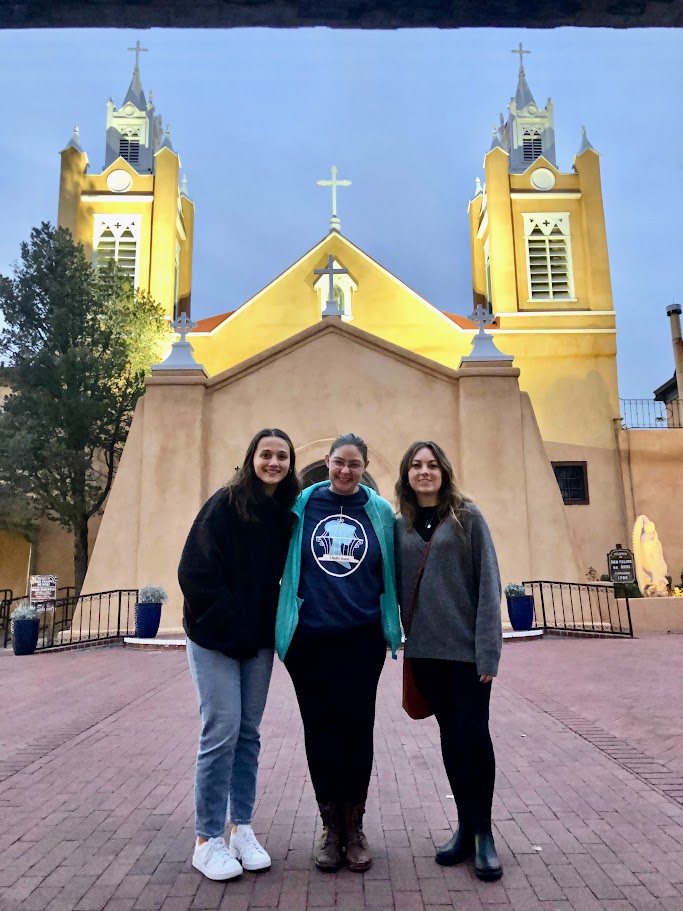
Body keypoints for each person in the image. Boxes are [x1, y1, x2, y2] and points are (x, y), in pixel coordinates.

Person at [275, 433, 402, 872]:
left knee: (356, 728)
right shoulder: (301, 506)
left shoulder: (380, 511)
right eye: (338, 463)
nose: (345, 471)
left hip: (360, 638)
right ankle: (331, 827)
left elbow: (393, 568)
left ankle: (355, 824)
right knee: (319, 729)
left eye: (354, 464)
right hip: (309, 639)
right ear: (327, 462)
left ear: (364, 465)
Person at [178, 429, 300, 882]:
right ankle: (206, 839)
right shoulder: (224, 505)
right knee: (221, 730)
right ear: (251, 458)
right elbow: (194, 570)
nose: (273, 462)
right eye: (266, 454)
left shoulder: (285, 515)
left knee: (248, 733)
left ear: (289, 463)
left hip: (257, 643)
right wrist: (229, 620)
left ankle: (240, 828)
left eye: (281, 456)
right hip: (215, 638)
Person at [394, 441, 503, 882]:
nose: (424, 472)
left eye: (432, 465)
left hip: (466, 655)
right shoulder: (399, 527)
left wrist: (488, 649)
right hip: (425, 652)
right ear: (406, 474)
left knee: (474, 737)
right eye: (417, 466)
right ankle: (462, 825)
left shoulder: (467, 517)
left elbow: (489, 582)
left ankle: (484, 834)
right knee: (450, 739)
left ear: (444, 471)